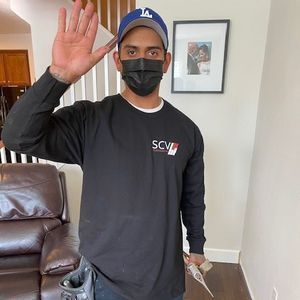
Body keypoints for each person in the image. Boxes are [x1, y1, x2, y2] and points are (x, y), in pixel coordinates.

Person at [2, 1, 206, 299]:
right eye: (131, 51)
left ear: (166, 61)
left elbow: (192, 197)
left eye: (152, 52)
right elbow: (18, 136)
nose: (142, 59)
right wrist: (59, 75)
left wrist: (198, 246)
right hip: (105, 282)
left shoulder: (186, 131)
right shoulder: (90, 120)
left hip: (165, 281)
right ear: (117, 61)